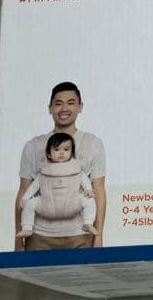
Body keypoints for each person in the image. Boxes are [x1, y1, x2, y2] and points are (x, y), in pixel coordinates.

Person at [15, 82, 107, 251]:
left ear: (80, 107)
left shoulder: (92, 143)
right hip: (39, 235)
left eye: (71, 103)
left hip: (80, 234)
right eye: (58, 104)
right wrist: (18, 240)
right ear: (49, 108)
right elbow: (23, 191)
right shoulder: (33, 146)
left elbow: (98, 191)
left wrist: (99, 236)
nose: (64, 108)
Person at [17, 133, 98, 239]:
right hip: (47, 206)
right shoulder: (44, 171)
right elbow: (34, 186)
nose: (61, 152)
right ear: (49, 153)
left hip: (72, 205)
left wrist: (88, 189)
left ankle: (88, 223)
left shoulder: (76, 169)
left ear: (72, 152)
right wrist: (25, 197)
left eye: (66, 149)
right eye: (56, 149)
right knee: (30, 204)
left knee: (89, 199)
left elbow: (85, 180)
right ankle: (27, 228)